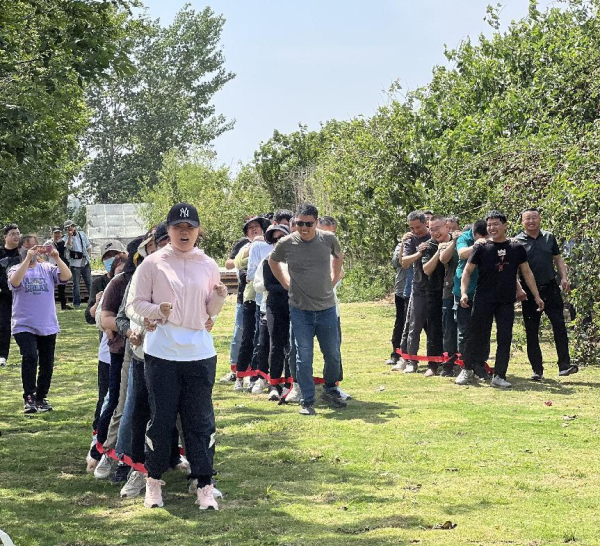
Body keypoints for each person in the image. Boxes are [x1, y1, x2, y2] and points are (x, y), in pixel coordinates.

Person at [133, 202, 227, 510]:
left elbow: (209, 311)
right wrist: (157, 310)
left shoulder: (208, 264)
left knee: (200, 420)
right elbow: (137, 303)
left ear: (198, 231)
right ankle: (153, 481)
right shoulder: (152, 263)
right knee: (161, 420)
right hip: (162, 351)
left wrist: (218, 299)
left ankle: (204, 484)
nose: (184, 233)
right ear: (169, 231)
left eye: (190, 228)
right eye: (178, 228)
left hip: (199, 352)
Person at [269, 203, 344, 416]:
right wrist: (285, 283)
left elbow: (338, 256)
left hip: (326, 308)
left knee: (332, 353)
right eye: (300, 223)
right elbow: (272, 261)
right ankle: (307, 400)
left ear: (316, 223)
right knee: (303, 355)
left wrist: (334, 277)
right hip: (300, 310)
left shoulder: (328, 239)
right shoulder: (286, 243)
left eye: (308, 224)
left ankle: (331, 389)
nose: (304, 228)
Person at [458, 211, 544, 389]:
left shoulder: (516, 247)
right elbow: (467, 271)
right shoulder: (481, 247)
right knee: (476, 335)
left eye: (496, 224)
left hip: (505, 300)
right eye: (489, 225)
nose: (492, 228)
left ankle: (499, 375)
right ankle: (467, 369)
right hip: (483, 299)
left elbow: (527, 272)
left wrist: (536, 295)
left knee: (505, 337)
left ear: (505, 225)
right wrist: (464, 292)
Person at [8, 235, 71, 413]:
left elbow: (66, 276)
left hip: (47, 324)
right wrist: (27, 260)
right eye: (29, 247)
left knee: (47, 363)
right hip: (23, 324)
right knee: (30, 357)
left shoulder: (47, 268)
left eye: (36, 247)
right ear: (21, 249)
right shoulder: (15, 269)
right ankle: (29, 396)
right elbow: (15, 282)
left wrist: (57, 257)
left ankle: (41, 397)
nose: (33, 251)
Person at [515, 208, 576, 379]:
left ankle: (564, 365)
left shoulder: (549, 237)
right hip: (529, 292)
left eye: (534, 218)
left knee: (559, 325)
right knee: (532, 330)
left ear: (540, 219)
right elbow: (514, 269)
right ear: (522, 222)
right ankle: (537, 370)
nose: (531, 221)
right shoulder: (517, 242)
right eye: (527, 218)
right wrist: (519, 289)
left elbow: (558, 259)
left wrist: (564, 277)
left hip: (551, 288)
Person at [232, 216, 271, 391]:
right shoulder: (247, 246)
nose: (254, 229)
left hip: (264, 298)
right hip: (249, 297)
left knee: (260, 339)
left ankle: (256, 376)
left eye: (257, 226)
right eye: (250, 228)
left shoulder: (269, 245)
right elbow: (237, 262)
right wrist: (252, 247)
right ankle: (240, 375)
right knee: (247, 336)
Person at [453, 220, 489, 383]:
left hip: (484, 292)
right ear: (475, 234)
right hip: (464, 292)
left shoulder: (492, 238)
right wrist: (477, 245)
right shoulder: (464, 238)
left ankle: (480, 365)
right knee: (465, 332)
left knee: (483, 331)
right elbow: (462, 253)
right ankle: (466, 366)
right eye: (482, 237)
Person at [398, 211, 431, 374]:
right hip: (419, 287)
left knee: (436, 327)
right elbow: (404, 263)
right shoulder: (410, 240)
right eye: (412, 228)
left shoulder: (434, 236)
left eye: (418, 227)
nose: (415, 231)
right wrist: (419, 253)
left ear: (425, 223)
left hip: (436, 288)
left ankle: (438, 361)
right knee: (414, 325)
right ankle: (412, 360)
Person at [420, 215, 452, 376]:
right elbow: (426, 269)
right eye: (431, 229)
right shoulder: (429, 245)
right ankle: (433, 365)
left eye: (437, 228)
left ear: (447, 226)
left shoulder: (457, 241)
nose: (435, 232)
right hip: (434, 291)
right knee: (433, 328)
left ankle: (453, 363)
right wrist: (438, 251)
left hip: (453, 291)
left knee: (451, 329)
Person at [0, 223, 21, 366]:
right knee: (3, 325)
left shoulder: (23, 253)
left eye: (18, 233)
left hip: (22, 295)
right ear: (5, 237)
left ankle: (31, 353)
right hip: (3, 295)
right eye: (13, 234)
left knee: (26, 324)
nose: (16, 236)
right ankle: (2, 355)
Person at [386, 238, 409, 366]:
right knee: (400, 322)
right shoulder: (402, 243)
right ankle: (396, 354)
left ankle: (436, 356)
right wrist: (404, 244)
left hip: (422, 291)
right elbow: (396, 262)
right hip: (402, 290)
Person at [63, 220, 92, 308]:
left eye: (71, 226)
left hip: (85, 261)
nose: (70, 228)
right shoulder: (65, 238)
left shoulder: (82, 234)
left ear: (74, 226)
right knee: (76, 284)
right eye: (68, 227)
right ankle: (76, 303)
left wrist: (88, 256)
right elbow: (69, 246)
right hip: (75, 263)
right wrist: (70, 236)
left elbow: (88, 246)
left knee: (89, 282)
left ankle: (93, 301)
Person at [43, 227, 71, 310]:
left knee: (62, 286)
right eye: (55, 233)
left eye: (59, 233)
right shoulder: (48, 243)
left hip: (61, 266)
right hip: (52, 266)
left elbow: (69, 248)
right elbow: (43, 254)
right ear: (52, 234)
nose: (57, 235)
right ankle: (48, 304)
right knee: (49, 285)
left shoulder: (63, 243)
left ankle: (63, 304)